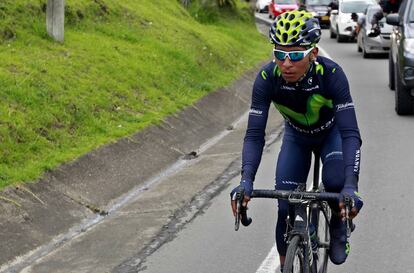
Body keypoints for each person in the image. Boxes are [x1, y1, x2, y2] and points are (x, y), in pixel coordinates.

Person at [230, 10, 363, 271]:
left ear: (313, 54)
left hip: (331, 134)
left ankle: (337, 223)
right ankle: (287, 265)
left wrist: (351, 186)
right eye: (279, 54)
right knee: (285, 206)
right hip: (297, 137)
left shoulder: (332, 75)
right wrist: (246, 180)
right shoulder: (268, 79)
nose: (286, 63)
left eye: (295, 55)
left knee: (335, 183)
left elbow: (350, 134)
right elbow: (255, 134)